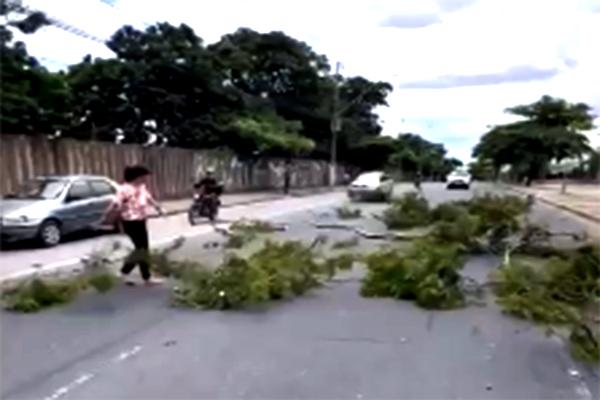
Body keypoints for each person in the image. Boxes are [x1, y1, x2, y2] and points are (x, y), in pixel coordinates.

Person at [103, 165, 165, 286]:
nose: (146, 179)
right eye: (144, 176)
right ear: (138, 177)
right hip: (130, 223)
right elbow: (116, 203)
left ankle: (140, 276)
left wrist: (159, 208)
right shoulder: (124, 189)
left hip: (141, 221)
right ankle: (134, 274)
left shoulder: (142, 187)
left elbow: (149, 199)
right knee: (141, 250)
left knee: (143, 249)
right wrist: (108, 214)